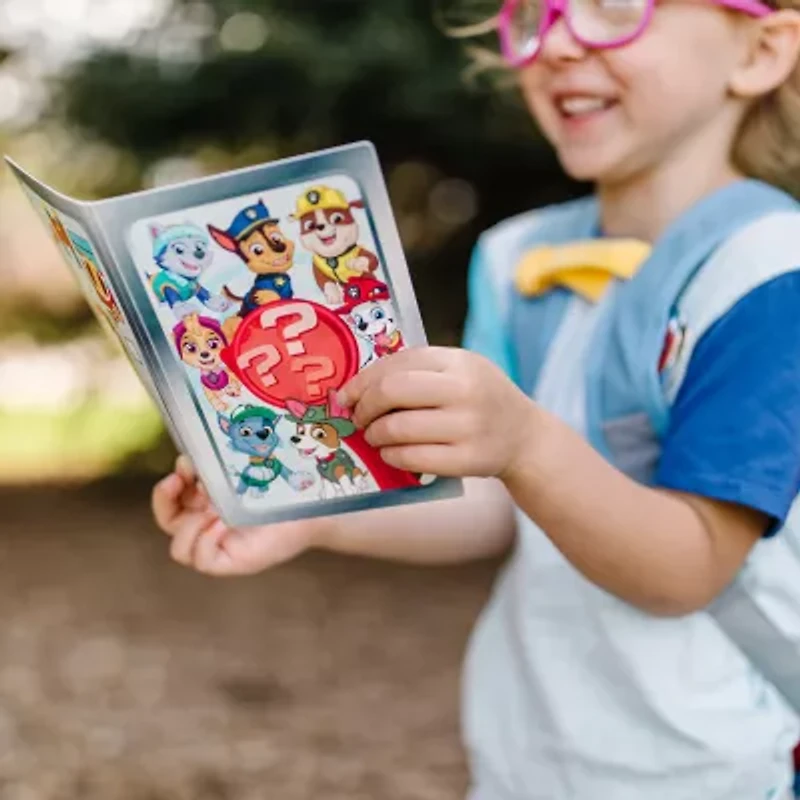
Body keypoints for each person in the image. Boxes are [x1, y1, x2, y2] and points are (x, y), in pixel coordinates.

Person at [152, 0, 800, 796]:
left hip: (725, 766)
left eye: (614, 9)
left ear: (762, 52)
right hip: (528, 751)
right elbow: (495, 503)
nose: (557, 42)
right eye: (535, 13)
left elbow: (689, 567)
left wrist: (527, 442)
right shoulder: (516, 256)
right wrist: (310, 511)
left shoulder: (771, 274)